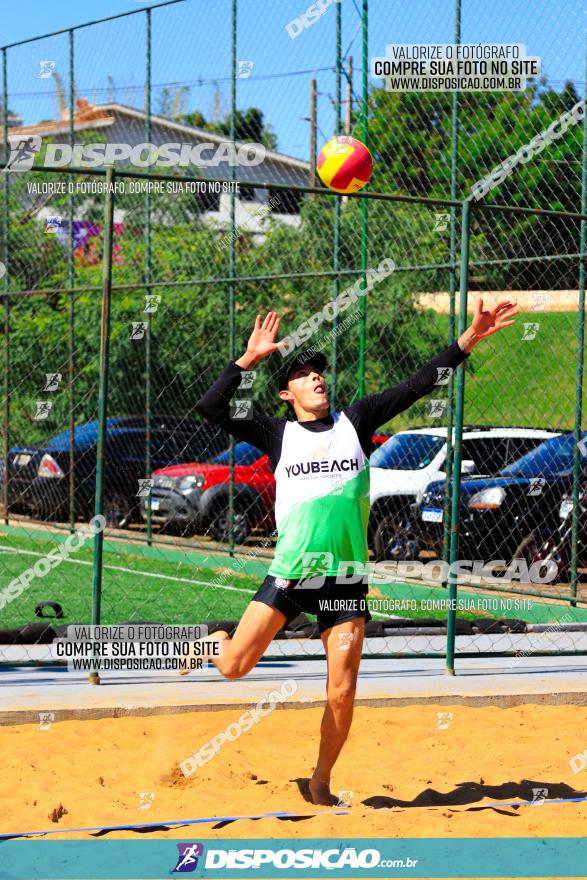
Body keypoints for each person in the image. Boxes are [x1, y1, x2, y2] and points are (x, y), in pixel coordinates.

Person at [187, 299, 519, 805]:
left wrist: (467, 340)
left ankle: (319, 782)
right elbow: (210, 407)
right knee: (234, 667)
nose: (315, 378)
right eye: (302, 374)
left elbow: (418, 383)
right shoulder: (276, 434)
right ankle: (216, 641)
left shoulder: (355, 421)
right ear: (286, 392)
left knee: (341, 692)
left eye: (318, 371)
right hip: (292, 576)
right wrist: (248, 360)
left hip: (343, 583)